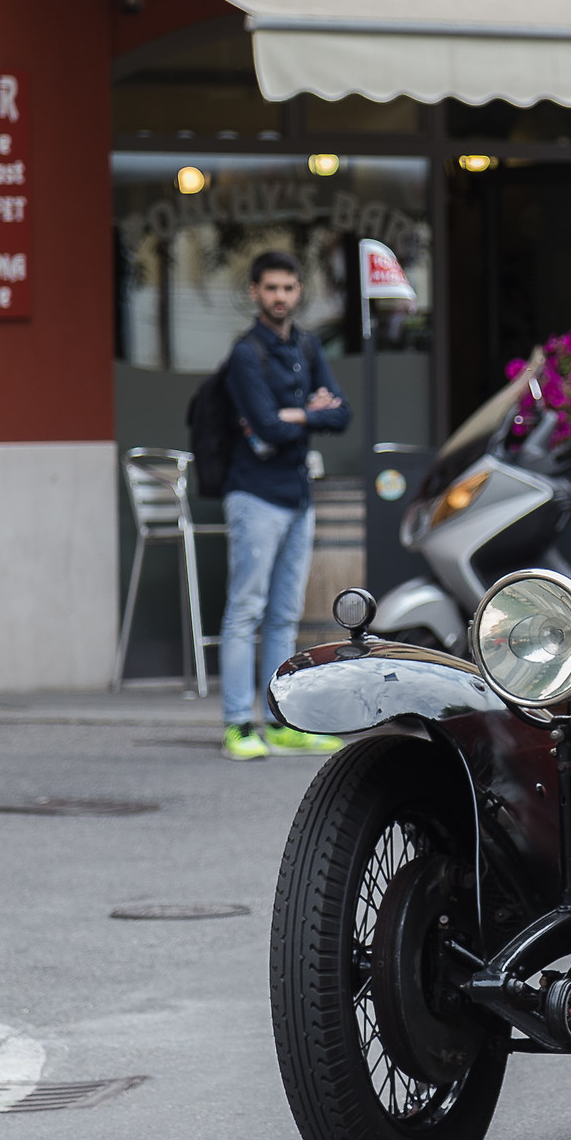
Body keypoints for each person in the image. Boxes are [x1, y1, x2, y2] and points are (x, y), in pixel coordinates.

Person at [218, 251, 351, 761]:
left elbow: (343, 414)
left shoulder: (308, 346)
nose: (280, 297)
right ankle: (237, 724)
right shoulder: (245, 354)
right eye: (271, 288)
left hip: (298, 495)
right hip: (254, 495)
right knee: (245, 611)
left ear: (299, 292)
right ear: (254, 292)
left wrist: (294, 414)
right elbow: (267, 427)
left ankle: (280, 722)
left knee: (284, 615)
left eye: (289, 288)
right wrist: (307, 412)